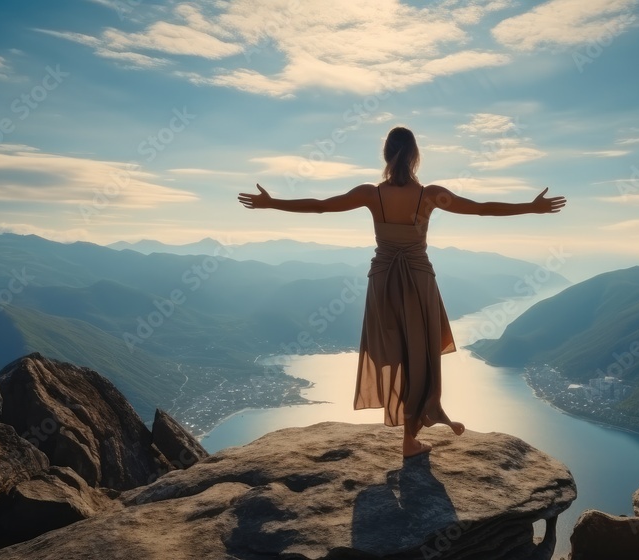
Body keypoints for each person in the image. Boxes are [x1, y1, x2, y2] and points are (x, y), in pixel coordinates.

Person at [239, 126, 565, 458]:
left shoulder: (372, 194)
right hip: (419, 280)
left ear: (385, 155)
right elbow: (480, 208)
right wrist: (530, 207)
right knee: (419, 355)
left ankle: (412, 431)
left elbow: (321, 206)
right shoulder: (430, 194)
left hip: (383, 281)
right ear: (415, 156)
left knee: (393, 351)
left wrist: (271, 202)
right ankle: (413, 434)